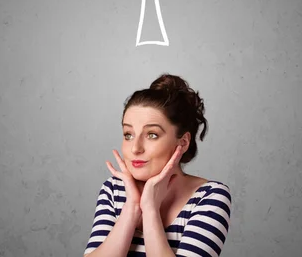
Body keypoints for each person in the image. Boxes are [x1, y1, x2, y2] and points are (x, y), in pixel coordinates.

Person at [84, 73, 232, 256]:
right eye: (128, 134)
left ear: (183, 142)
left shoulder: (209, 197)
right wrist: (132, 208)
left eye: (152, 134)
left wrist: (150, 210)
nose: (135, 148)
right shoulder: (113, 190)